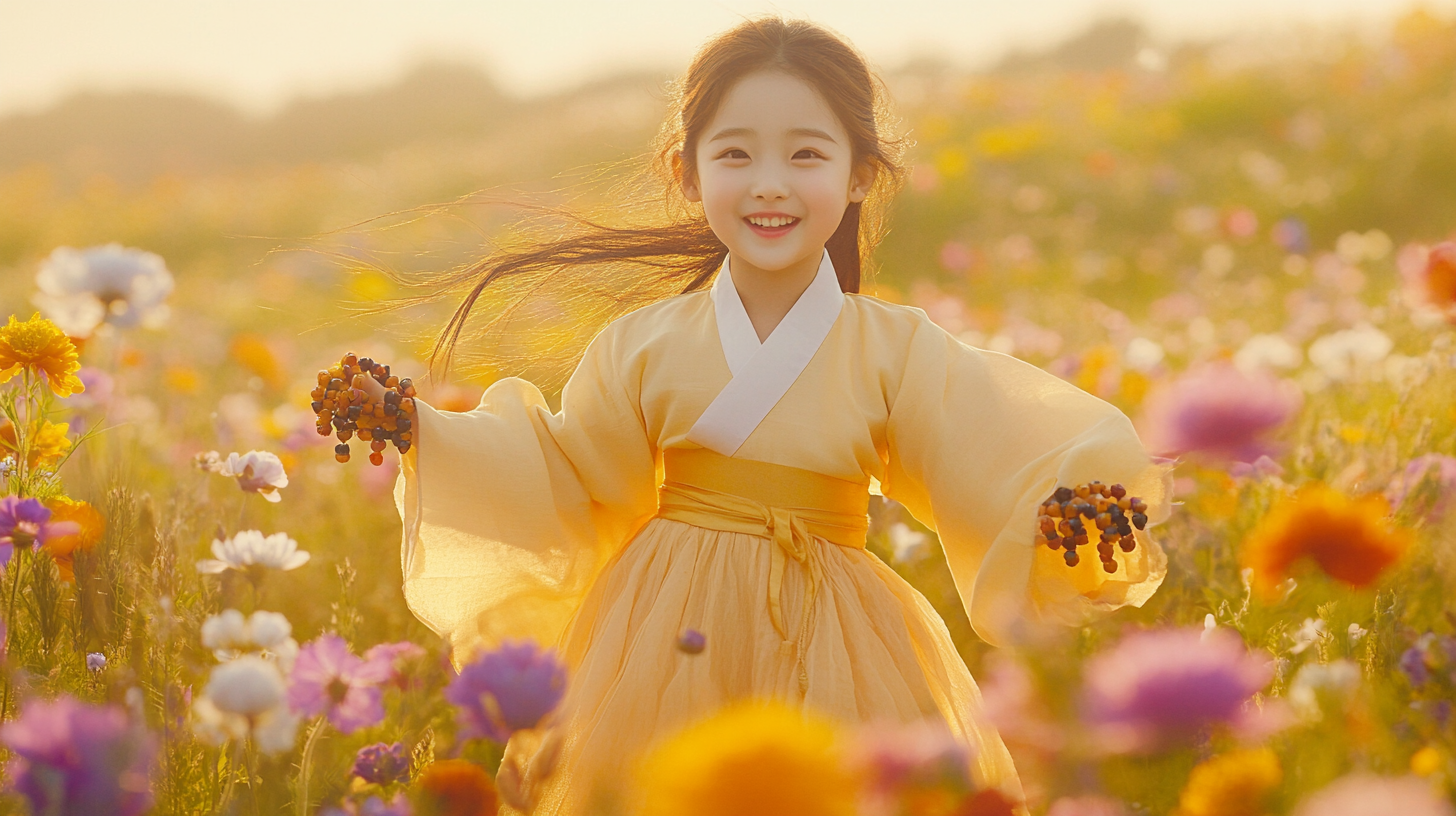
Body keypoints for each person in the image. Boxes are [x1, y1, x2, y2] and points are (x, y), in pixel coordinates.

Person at [358, 15, 1172, 816]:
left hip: (839, 640)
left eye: (807, 154)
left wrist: (1066, 502)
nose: (770, 182)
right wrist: (420, 427)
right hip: (662, 640)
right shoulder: (639, 345)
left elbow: (985, 442)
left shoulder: (894, 348)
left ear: (860, 173)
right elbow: (571, 474)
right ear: (686, 170)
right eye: (736, 153)